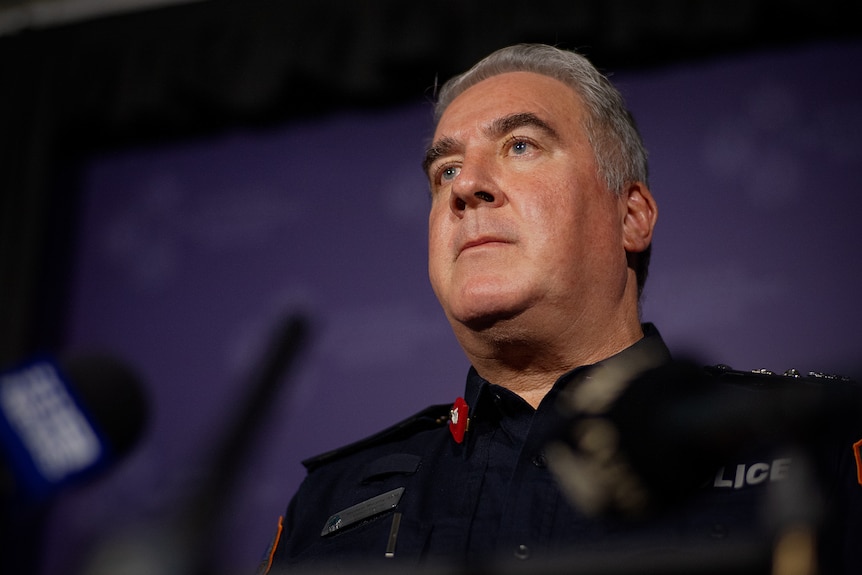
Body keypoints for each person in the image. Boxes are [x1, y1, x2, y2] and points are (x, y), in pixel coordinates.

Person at [257, 44, 861, 574]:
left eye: (521, 145)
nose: (467, 186)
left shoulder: (803, 442)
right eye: (446, 171)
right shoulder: (326, 501)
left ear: (631, 217)